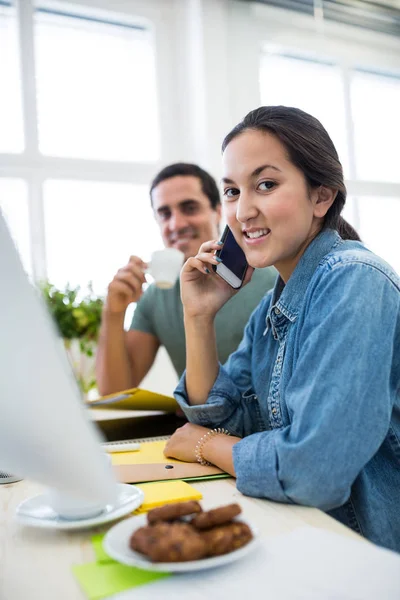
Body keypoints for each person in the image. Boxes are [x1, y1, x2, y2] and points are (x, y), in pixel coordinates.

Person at [164, 106, 400, 552]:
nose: (243, 210)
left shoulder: (355, 279)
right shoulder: (274, 307)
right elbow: (228, 417)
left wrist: (206, 446)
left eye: (266, 185)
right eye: (232, 191)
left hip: (364, 556)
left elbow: (314, 471)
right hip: (303, 538)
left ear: (322, 197)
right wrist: (198, 317)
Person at [96, 163, 276, 396]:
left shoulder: (270, 280)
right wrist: (113, 312)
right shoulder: (156, 296)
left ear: (218, 211)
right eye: (164, 214)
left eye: (189, 208)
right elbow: (115, 392)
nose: (176, 224)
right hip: (202, 424)